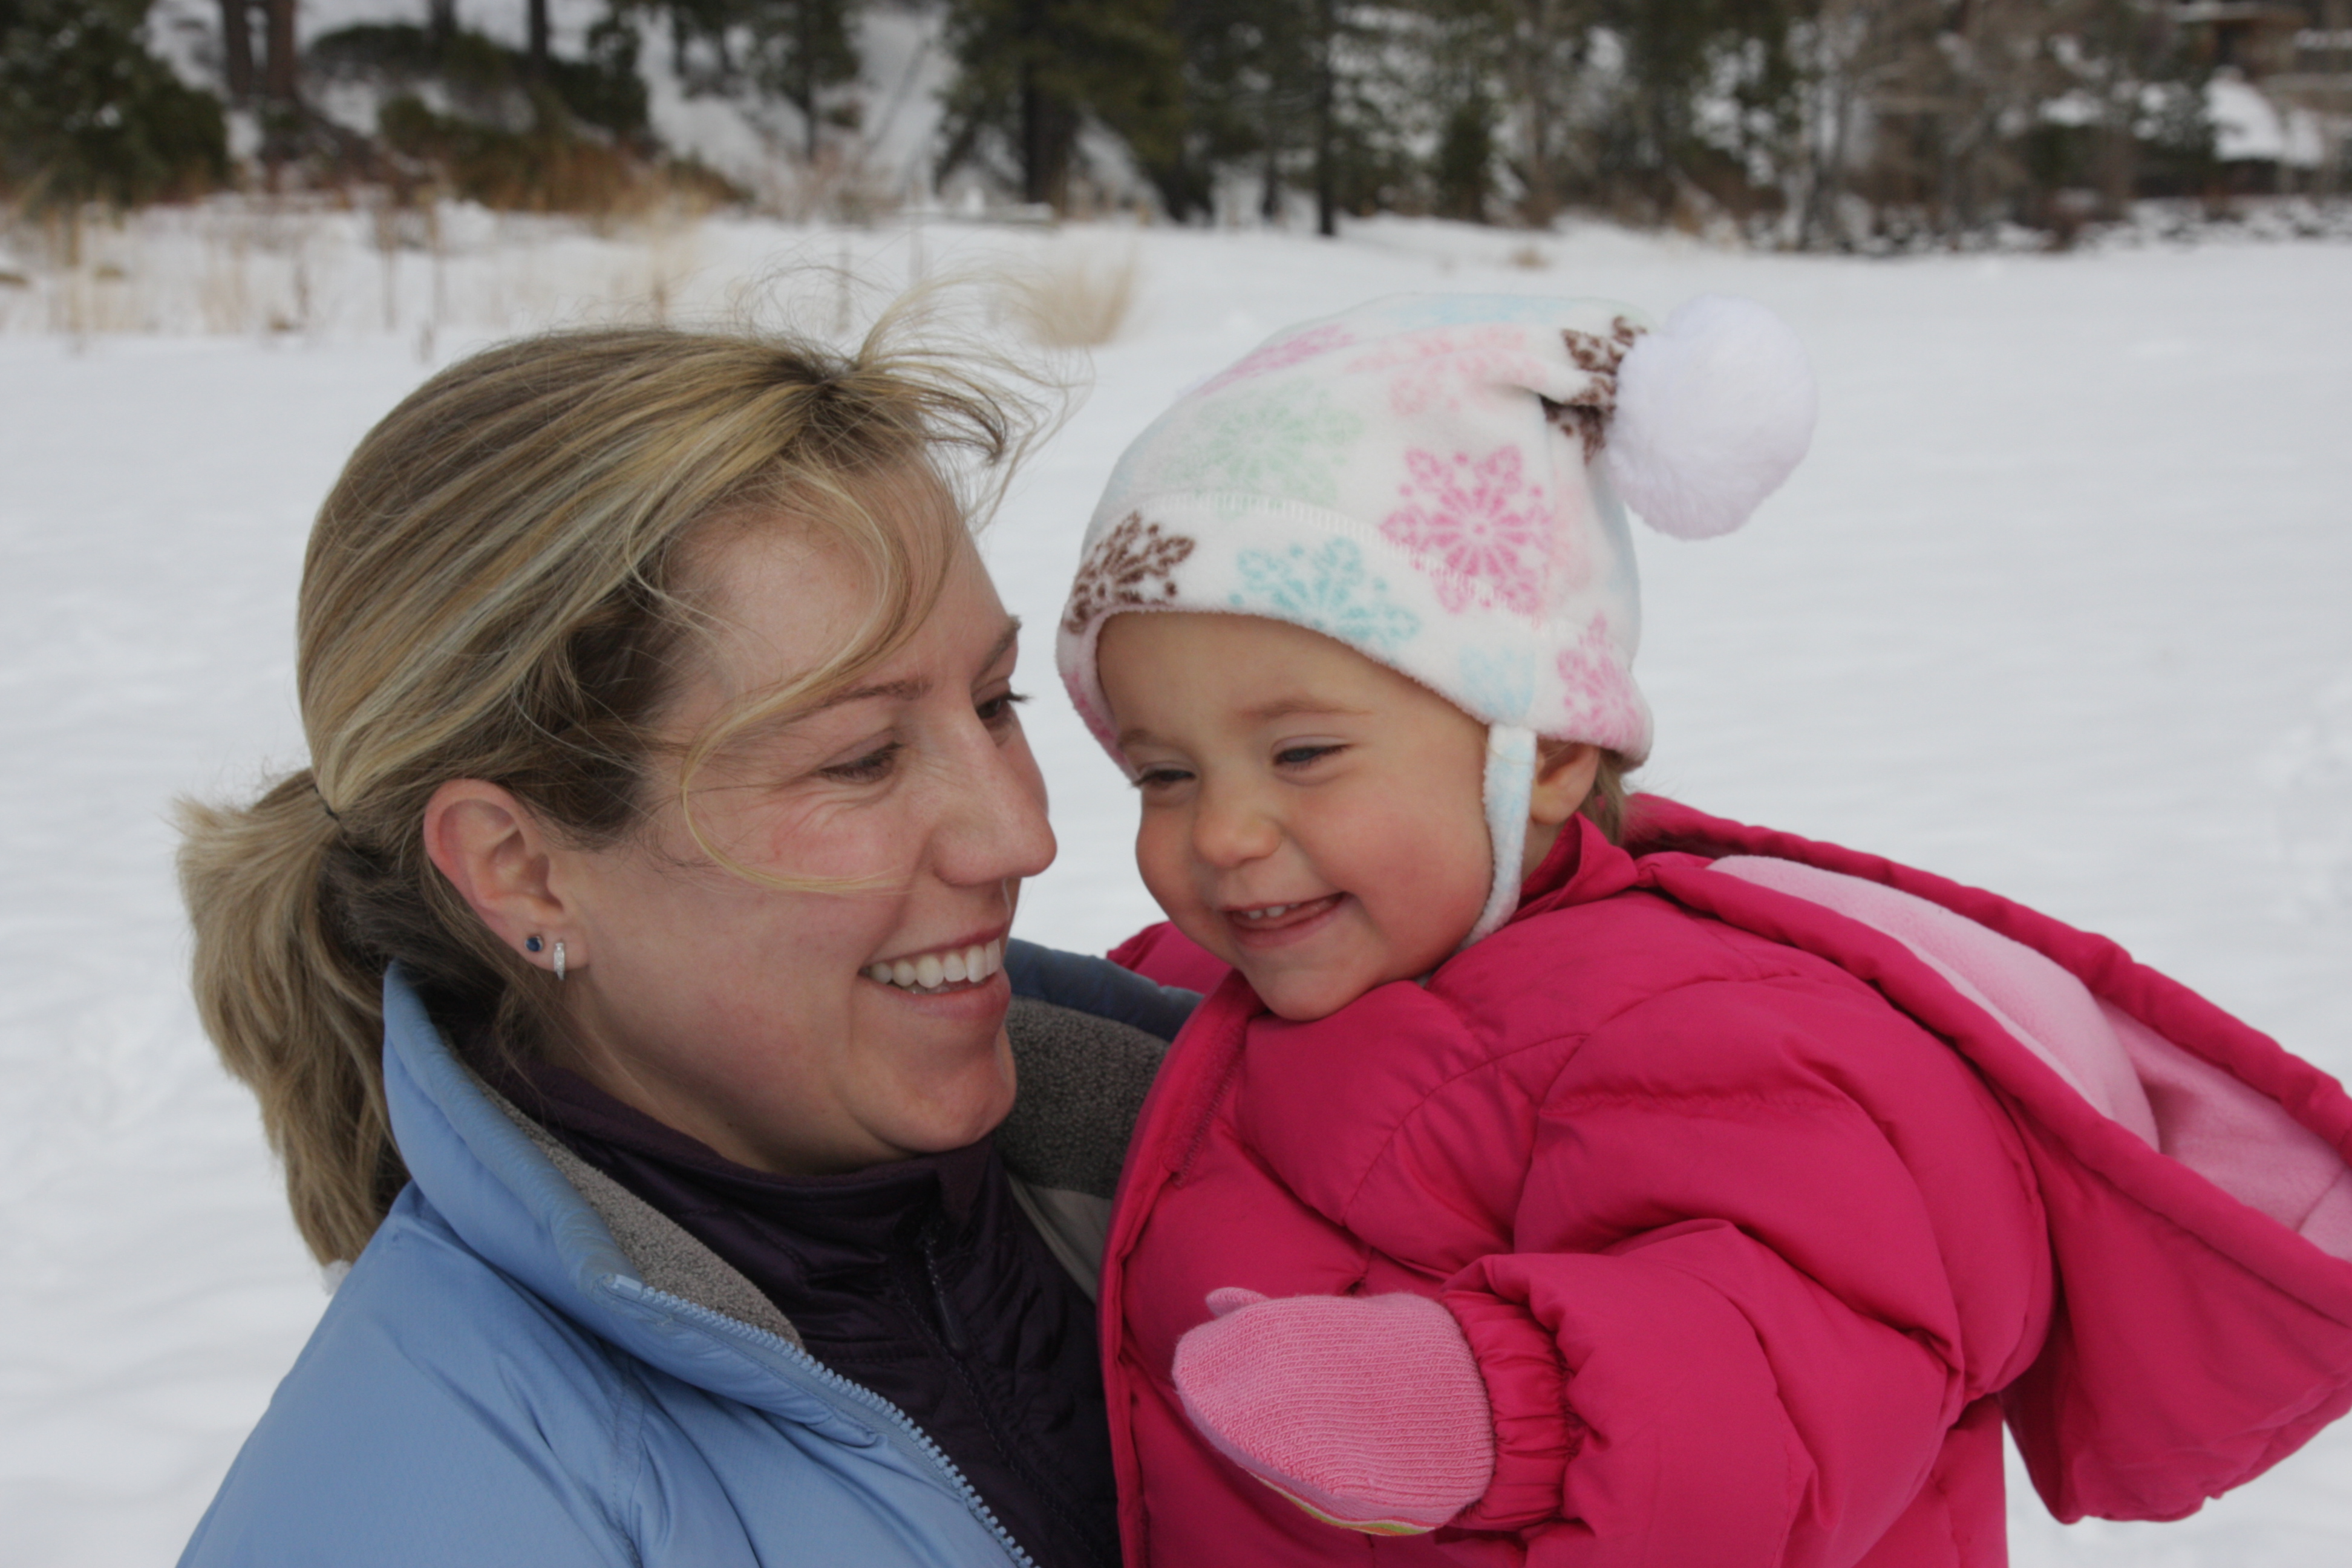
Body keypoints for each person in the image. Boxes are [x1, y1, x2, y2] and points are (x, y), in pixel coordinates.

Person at [1053, 292, 2352, 1566]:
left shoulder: (1697, 1024)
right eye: (1164, 774)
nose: (1224, 832)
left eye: (1302, 753)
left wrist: (1494, 1408)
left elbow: (1799, 1345)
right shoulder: (1220, 979)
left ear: (1548, 749)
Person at [173, 315, 1195, 1567]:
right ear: (523, 872)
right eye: (861, 759)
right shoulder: (432, 1508)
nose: (1019, 834)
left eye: (994, 702)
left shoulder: (1204, 1149)